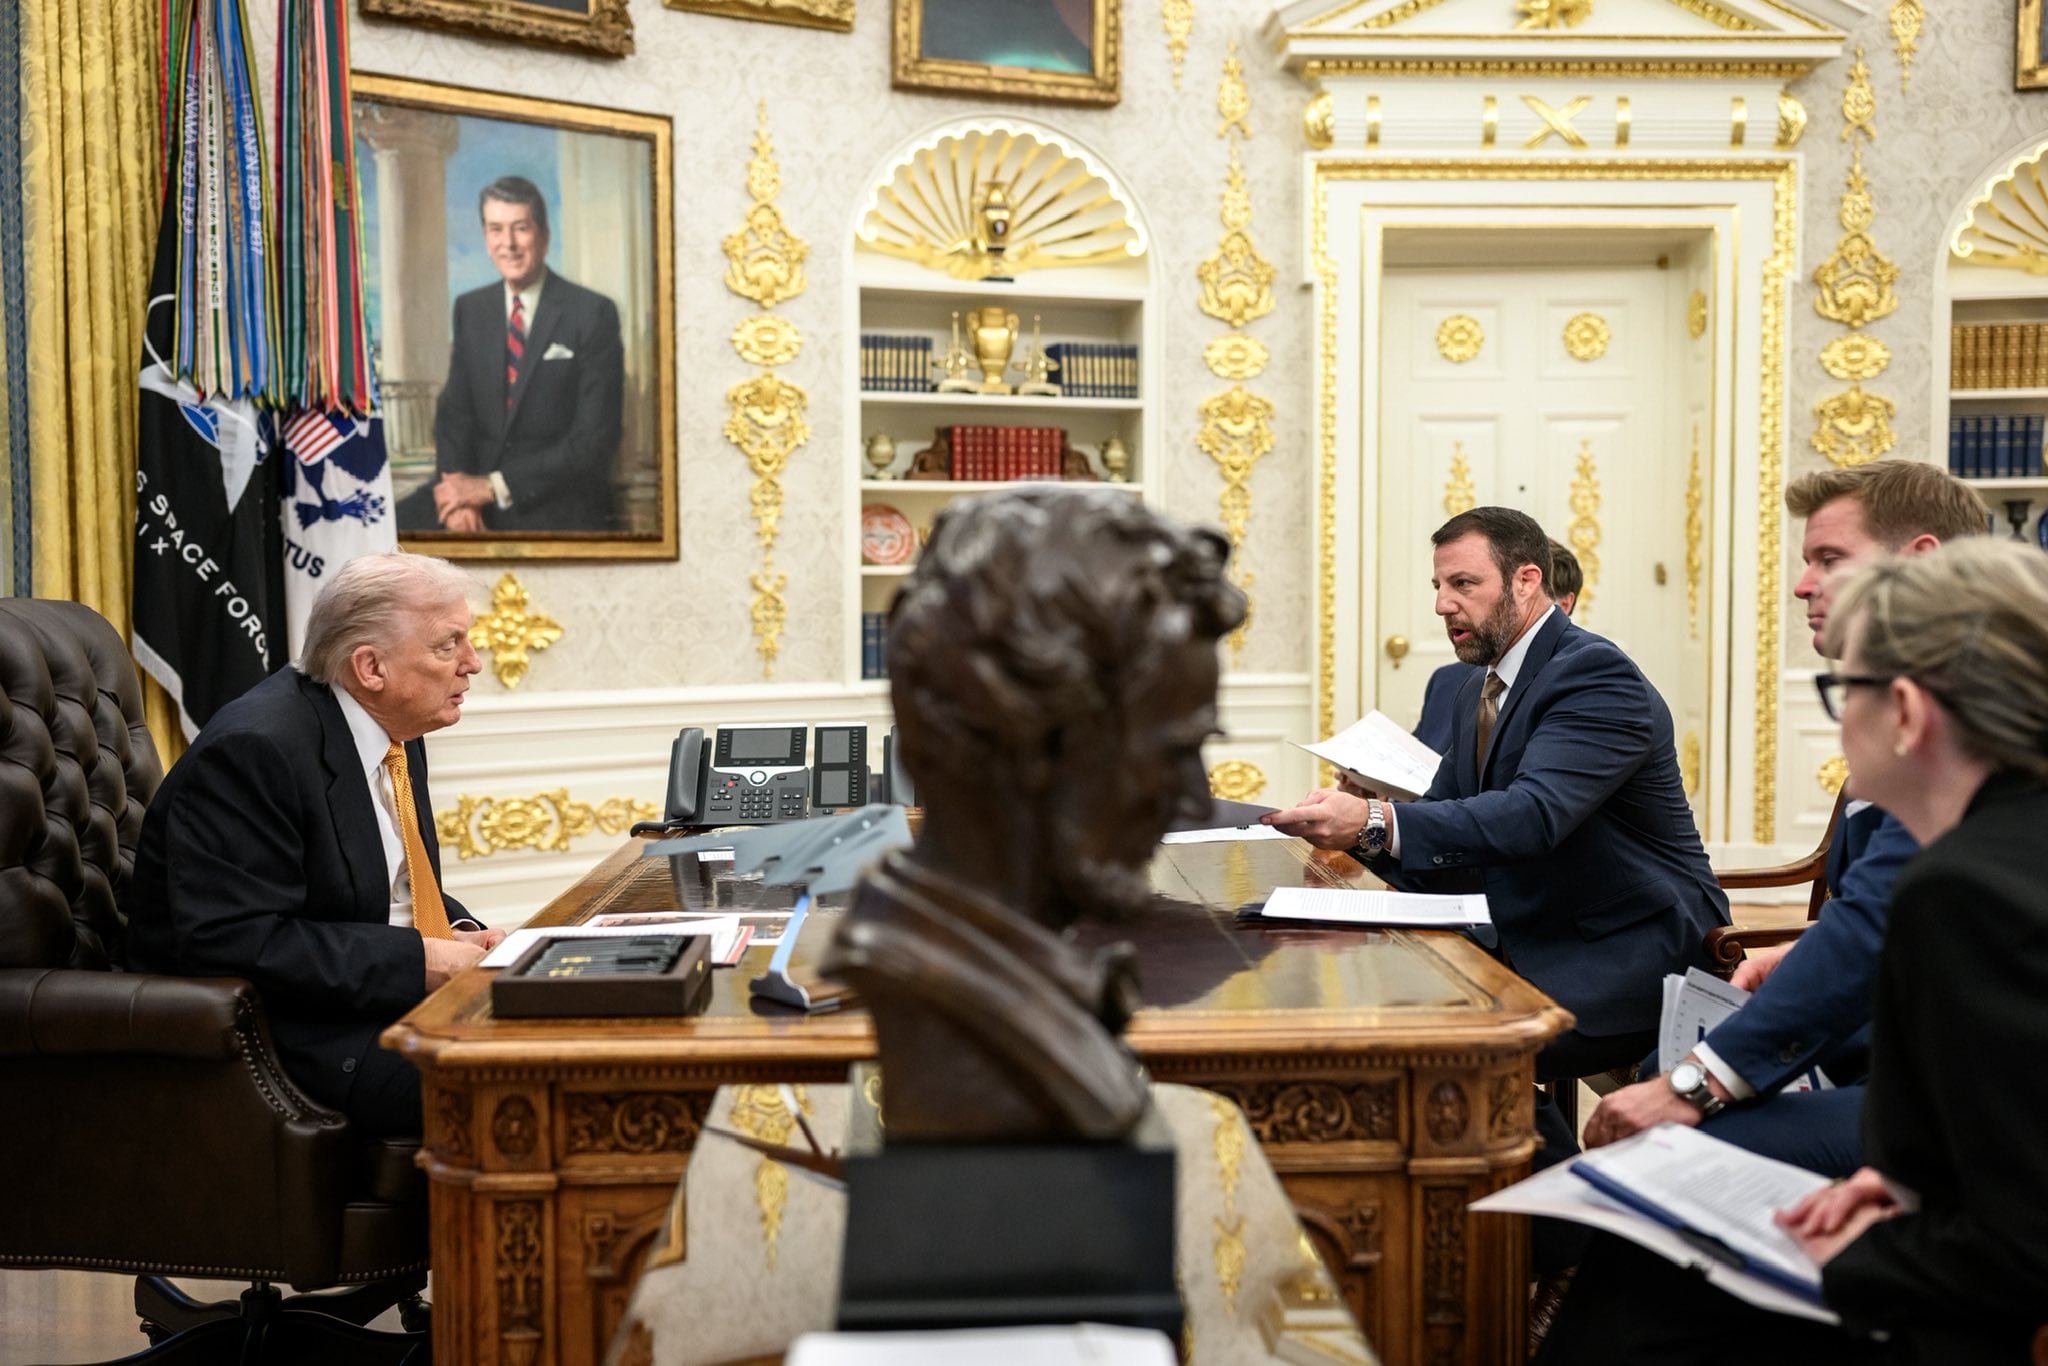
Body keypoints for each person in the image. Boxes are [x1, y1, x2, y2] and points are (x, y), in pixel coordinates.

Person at [1539, 538, 2048, 1365]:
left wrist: (1855, 1253)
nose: (1839, 719)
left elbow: (2016, 1255)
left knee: (1650, 1278)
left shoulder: (1963, 890)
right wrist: (1915, 1187)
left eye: (1843, 690)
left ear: (1910, 713)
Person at [1584, 460, 1988, 1176]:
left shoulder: (1966, 714)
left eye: (1830, 559)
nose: (1803, 585)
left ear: (1921, 563)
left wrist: (1702, 1082)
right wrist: (1799, 951)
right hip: (1891, 1036)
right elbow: (1886, 908)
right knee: (1661, 1065)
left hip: (1961, 1089)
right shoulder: (1916, 687)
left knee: (1674, 1131)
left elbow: (1877, 927)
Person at [823, 487, 1246, 1142]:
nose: (1193, 799)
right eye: (1173, 752)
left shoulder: (1008, 980)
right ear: (1035, 744)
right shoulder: (953, 1023)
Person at [1267, 506, 1727, 1087]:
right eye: (1438, 586)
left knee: (1433, 1062)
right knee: (1361, 1023)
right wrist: (1352, 834)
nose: (1441, 604)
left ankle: (1540, 1170)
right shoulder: (1478, 686)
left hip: (1624, 957)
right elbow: (1446, 825)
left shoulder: (1596, 675)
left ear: (1527, 581)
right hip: (1532, 932)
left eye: (1463, 583)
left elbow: (1531, 818)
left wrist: (1372, 821)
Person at [124, 553, 502, 1138]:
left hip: (368, 999)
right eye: (448, 645)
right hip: (293, 1034)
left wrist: (466, 934)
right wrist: (421, 961)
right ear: (371, 667)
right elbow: (234, 941)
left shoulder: (393, 730)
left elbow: (388, 886)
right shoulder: (257, 750)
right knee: (525, 1081)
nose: (473, 664)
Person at [402, 175, 624, 534]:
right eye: (495, 229)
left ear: (544, 235)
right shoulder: (471, 308)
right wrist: (457, 493)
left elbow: (593, 440)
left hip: (553, 499)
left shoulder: (592, 312)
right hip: (472, 493)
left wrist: (491, 487)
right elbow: (454, 414)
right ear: (486, 237)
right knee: (382, 536)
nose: (508, 244)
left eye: (520, 228)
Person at [1414, 538, 1581, 754]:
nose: (1442, 606)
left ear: (1564, 604)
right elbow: (1416, 760)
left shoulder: (1583, 678)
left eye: (1463, 583)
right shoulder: (1448, 680)